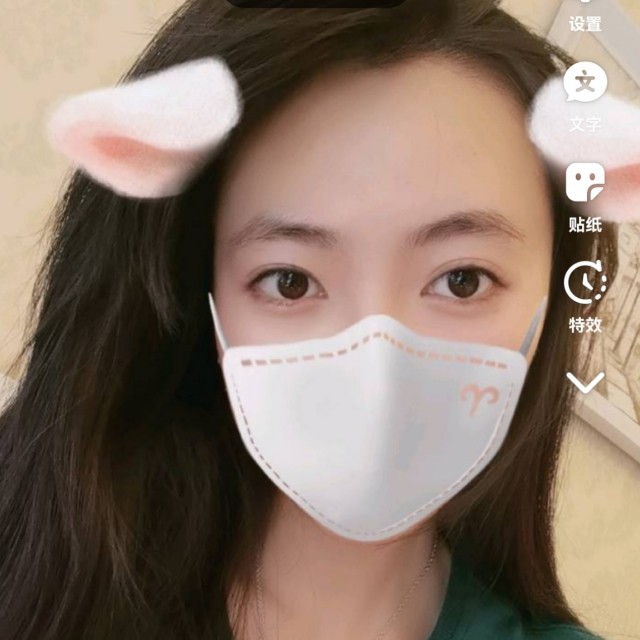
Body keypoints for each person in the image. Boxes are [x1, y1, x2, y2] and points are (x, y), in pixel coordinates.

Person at [0, 0, 625, 638]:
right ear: (203, 294)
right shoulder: (34, 563)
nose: (377, 372)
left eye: (462, 280)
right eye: (290, 281)